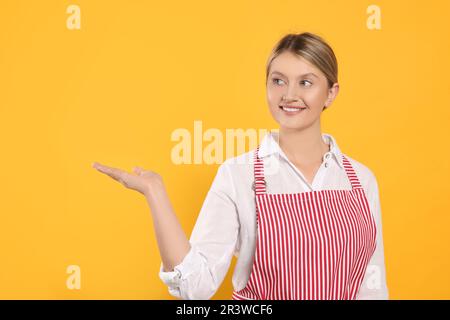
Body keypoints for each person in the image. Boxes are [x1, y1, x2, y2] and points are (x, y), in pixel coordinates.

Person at [92, 32, 389, 300]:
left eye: (306, 82)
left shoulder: (361, 180)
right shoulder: (238, 174)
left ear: (331, 93)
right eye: (278, 80)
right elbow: (195, 287)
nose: (289, 94)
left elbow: (372, 287)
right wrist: (155, 193)